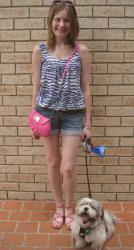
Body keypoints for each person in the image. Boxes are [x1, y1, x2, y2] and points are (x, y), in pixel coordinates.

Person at [31, 0, 91, 230]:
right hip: (46, 114)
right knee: (53, 162)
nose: (62, 24)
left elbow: (86, 89)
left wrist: (88, 124)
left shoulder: (81, 51)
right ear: (51, 21)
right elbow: (36, 87)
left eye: (66, 20)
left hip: (74, 116)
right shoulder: (40, 51)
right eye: (58, 19)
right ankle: (58, 207)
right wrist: (34, 119)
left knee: (68, 167)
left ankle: (69, 206)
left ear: (72, 23)